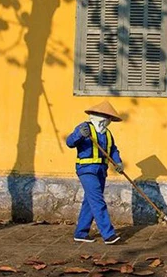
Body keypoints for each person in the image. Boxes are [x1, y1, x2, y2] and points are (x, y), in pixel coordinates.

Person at [66, 100, 124, 245]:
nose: (109, 121)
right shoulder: (84, 127)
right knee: (97, 200)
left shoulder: (107, 134)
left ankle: (81, 233)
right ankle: (108, 234)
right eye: (107, 117)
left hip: (101, 171)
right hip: (87, 170)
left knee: (90, 201)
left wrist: (118, 162)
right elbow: (69, 142)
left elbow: (113, 150)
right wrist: (79, 134)